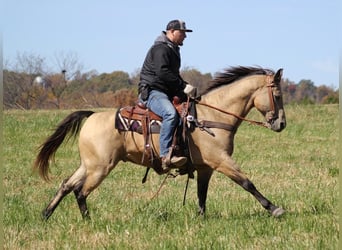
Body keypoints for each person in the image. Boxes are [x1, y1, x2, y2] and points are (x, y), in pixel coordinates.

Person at [138, 19, 195, 171]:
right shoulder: (160, 49)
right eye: (182, 32)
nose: (185, 36)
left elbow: (172, 75)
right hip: (153, 92)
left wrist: (186, 89)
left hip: (165, 91)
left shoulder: (172, 49)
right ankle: (165, 156)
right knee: (170, 114)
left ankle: (182, 151)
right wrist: (183, 86)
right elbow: (163, 73)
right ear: (171, 31)